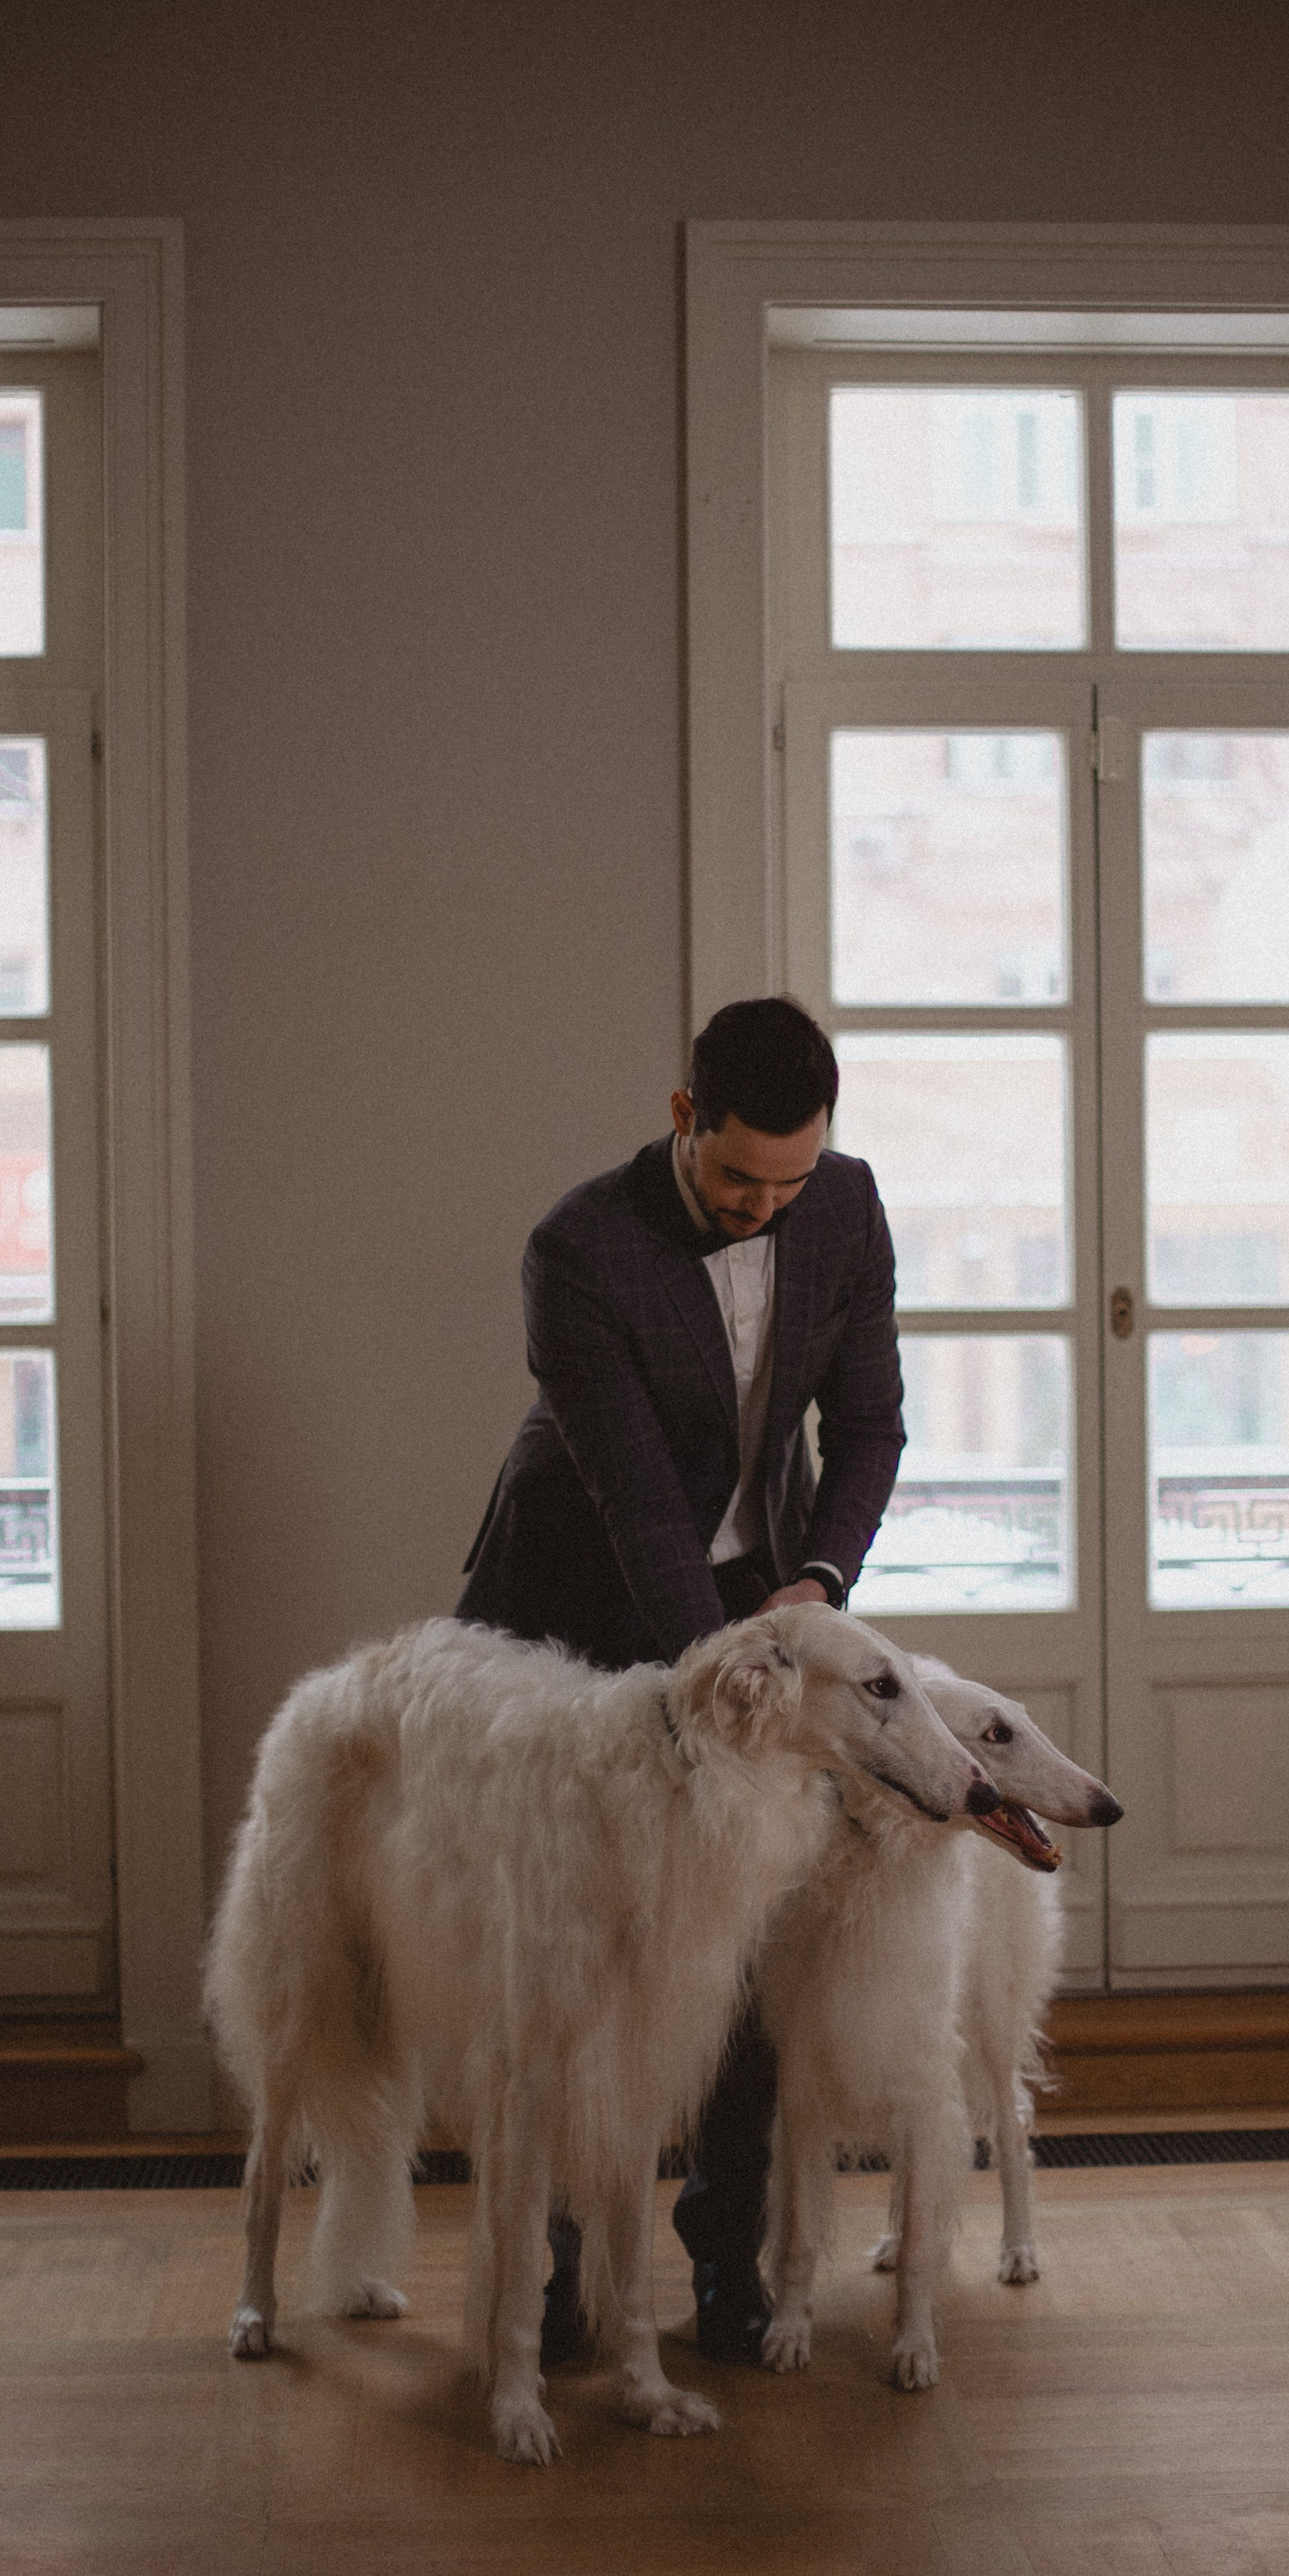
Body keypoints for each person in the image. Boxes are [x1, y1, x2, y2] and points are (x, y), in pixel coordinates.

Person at [459, 996, 904, 2360]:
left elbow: (872, 1427)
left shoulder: (845, 1205)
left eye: (792, 1178)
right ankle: (570, 2283)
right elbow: (644, 1509)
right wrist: (736, 1680)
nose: (766, 1206)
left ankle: (725, 2263)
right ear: (681, 1119)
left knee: (748, 1944)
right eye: (735, 1178)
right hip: (577, 1612)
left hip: (760, 1596)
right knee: (587, 1963)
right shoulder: (576, 1249)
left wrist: (812, 1594)